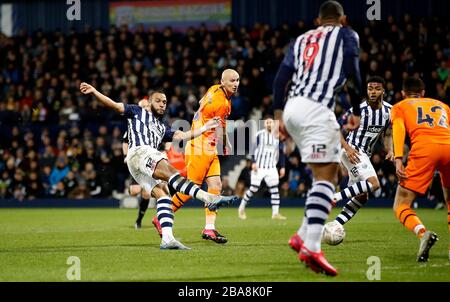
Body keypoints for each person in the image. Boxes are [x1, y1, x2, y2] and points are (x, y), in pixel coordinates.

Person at [79, 82, 237, 250]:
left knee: (163, 194)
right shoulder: (137, 111)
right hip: (140, 152)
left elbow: (182, 135)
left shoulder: (162, 127)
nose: (162, 104)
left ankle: (167, 239)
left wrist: (205, 127)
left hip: (139, 164)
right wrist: (95, 91)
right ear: (149, 103)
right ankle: (209, 198)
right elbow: (115, 106)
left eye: (164, 102)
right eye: (158, 101)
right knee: (172, 173)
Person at [273, 1, 362, 276]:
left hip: (292, 108)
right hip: (316, 109)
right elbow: (352, 69)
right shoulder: (347, 35)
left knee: (328, 171)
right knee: (327, 179)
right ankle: (311, 246)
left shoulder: (301, 40)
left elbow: (280, 79)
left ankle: (302, 235)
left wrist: (279, 117)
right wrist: (357, 109)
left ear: (317, 21)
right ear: (343, 19)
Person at [153, 69, 239, 244]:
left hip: (209, 147)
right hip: (199, 146)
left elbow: (201, 103)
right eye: (232, 81)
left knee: (215, 184)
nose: (236, 84)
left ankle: (209, 228)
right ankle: (159, 218)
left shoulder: (214, 89)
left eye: (237, 80)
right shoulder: (221, 102)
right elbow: (220, 126)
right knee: (190, 190)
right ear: (223, 82)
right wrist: (226, 143)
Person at [391, 76, 450, 262]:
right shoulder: (443, 106)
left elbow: (398, 129)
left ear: (403, 93)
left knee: (401, 203)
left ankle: (423, 233)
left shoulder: (400, 106)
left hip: (425, 148)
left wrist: (398, 158)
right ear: (423, 93)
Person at [326, 76, 393, 232]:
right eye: (370, 89)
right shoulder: (358, 110)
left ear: (383, 90)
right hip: (352, 150)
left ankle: (336, 225)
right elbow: (335, 130)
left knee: (362, 196)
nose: (373, 92)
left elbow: (387, 134)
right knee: (374, 184)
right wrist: (348, 149)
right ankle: (333, 198)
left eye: (377, 89)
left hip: (364, 154)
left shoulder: (389, 111)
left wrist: (390, 149)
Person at [238, 117, 286, 220]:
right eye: (267, 122)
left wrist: (282, 167)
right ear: (264, 124)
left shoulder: (278, 137)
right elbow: (253, 149)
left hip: (271, 167)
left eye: (271, 122)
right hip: (259, 166)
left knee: (274, 189)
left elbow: (281, 153)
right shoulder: (260, 135)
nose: (269, 124)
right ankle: (241, 208)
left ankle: (275, 213)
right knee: (253, 188)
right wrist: (253, 162)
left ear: (274, 124)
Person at [122, 97, 152, 230]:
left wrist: (166, 150)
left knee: (146, 194)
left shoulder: (154, 123)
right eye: (142, 107)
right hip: (136, 160)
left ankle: (139, 220)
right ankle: (138, 188)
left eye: (147, 107)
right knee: (134, 191)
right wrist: (126, 155)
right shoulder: (133, 124)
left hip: (149, 161)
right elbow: (125, 141)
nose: (145, 109)